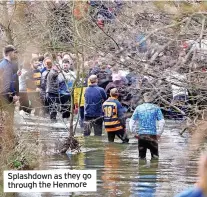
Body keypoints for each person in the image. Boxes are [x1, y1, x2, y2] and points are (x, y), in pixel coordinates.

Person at [129, 92, 165, 159]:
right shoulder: (156, 108)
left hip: (142, 136)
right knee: (155, 158)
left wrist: (134, 133)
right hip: (152, 136)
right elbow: (162, 122)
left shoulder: (138, 108)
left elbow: (132, 121)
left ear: (143, 98)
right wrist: (159, 133)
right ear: (152, 99)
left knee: (141, 158)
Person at [0, 45, 19, 149]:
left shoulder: (2, 63)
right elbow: (8, 83)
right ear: (10, 53)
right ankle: (8, 144)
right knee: (8, 121)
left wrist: (16, 75)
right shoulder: (7, 65)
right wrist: (14, 94)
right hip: (6, 95)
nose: (15, 54)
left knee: (3, 120)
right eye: (14, 52)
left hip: (2, 95)